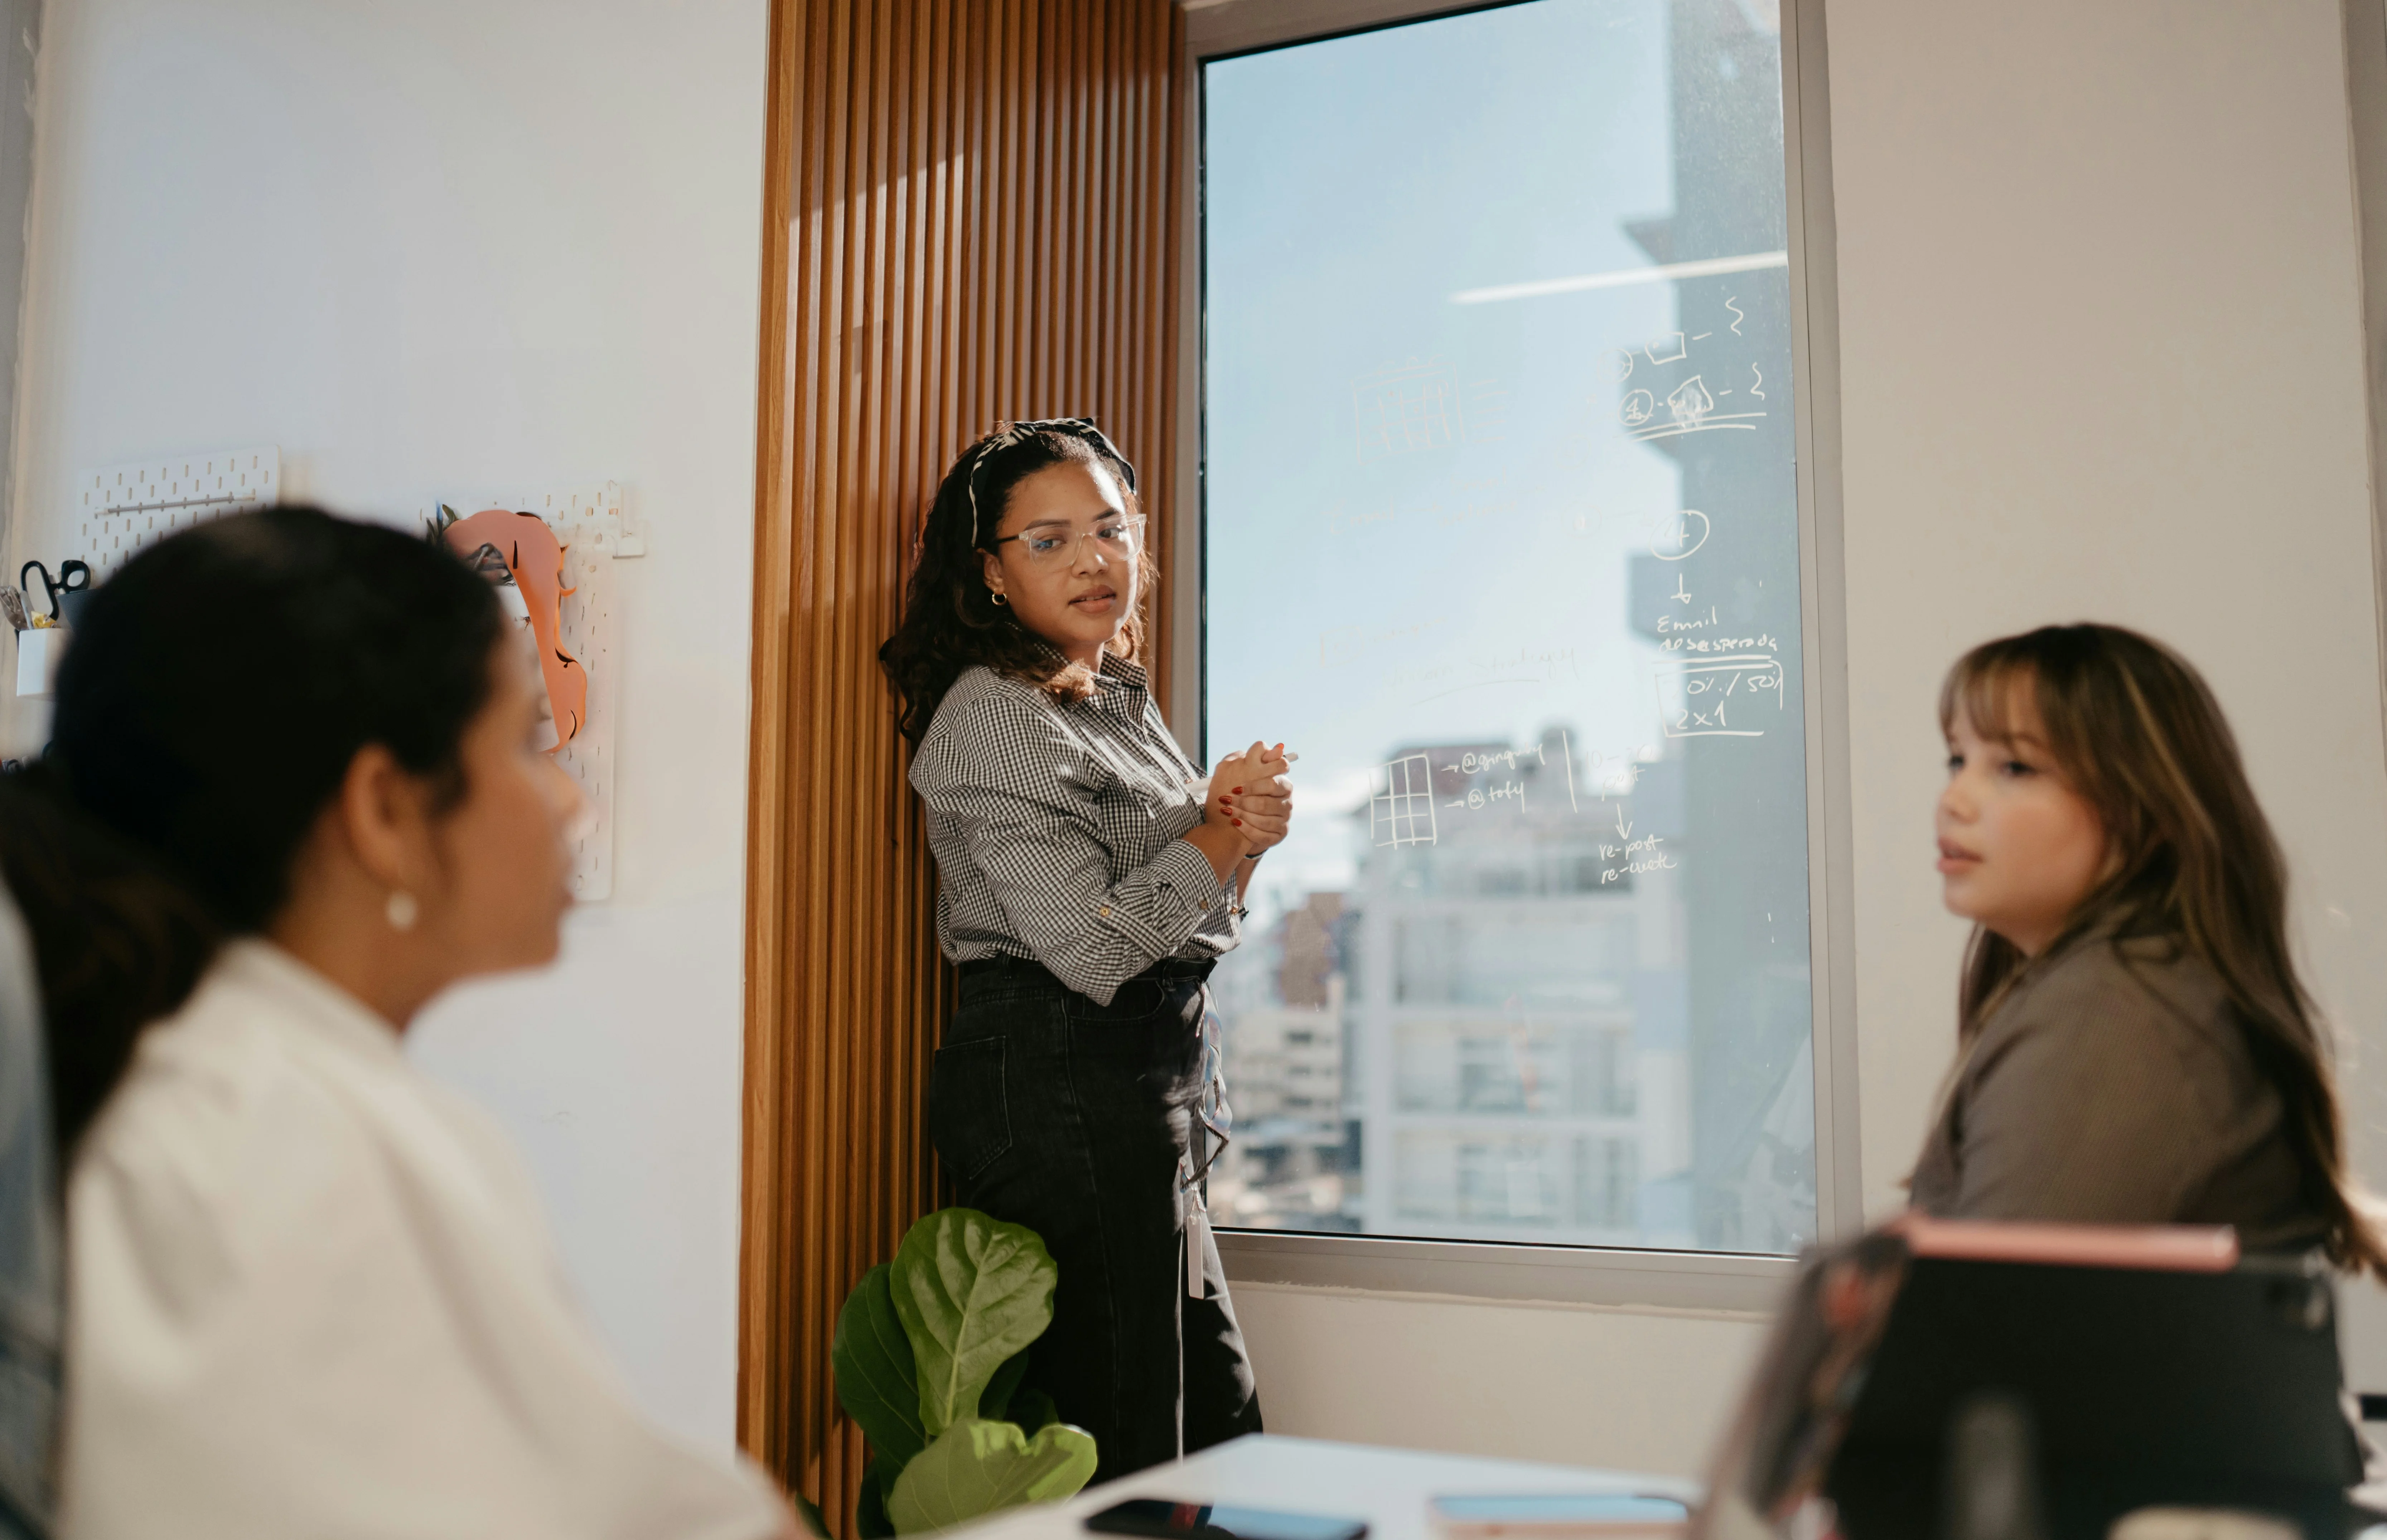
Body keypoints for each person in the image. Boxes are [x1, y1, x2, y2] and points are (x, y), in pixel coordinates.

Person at [0, 507, 795, 1539]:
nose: (568, 802)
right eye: (523, 741)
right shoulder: (289, 1133)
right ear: (384, 809)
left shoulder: (208, 1087)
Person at [878, 419, 1290, 1481]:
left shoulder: (1115, 695)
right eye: (1049, 540)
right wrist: (1219, 831)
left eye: (1111, 529)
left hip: (1141, 1067)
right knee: (1127, 1436)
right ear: (990, 571)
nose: (1095, 560)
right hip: (1058, 1067)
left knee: (1215, 1420)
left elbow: (1195, 919)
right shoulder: (990, 717)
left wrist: (1232, 835)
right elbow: (1097, 950)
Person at [1913, 622, 2385, 1271]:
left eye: (2014, 767)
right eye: (1956, 760)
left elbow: (1987, 1327)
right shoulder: (2116, 989)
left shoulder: (2110, 1015)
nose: (1952, 800)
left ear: (2146, 809)